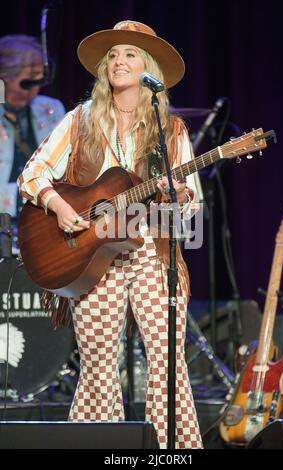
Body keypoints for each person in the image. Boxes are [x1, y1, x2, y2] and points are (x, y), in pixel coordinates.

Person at [18, 20, 203, 449]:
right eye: (113, 55)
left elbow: (189, 202)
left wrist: (178, 198)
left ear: (148, 69)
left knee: (167, 359)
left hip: (151, 252)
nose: (119, 61)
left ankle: (172, 450)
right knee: (100, 361)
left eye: (130, 54)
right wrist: (62, 208)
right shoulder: (79, 119)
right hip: (91, 254)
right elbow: (34, 173)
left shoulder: (169, 130)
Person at [0, 34, 65, 232]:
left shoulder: (51, 109)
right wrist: (28, 195)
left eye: (37, 83)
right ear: (3, 77)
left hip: (48, 218)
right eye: (25, 83)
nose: (32, 91)